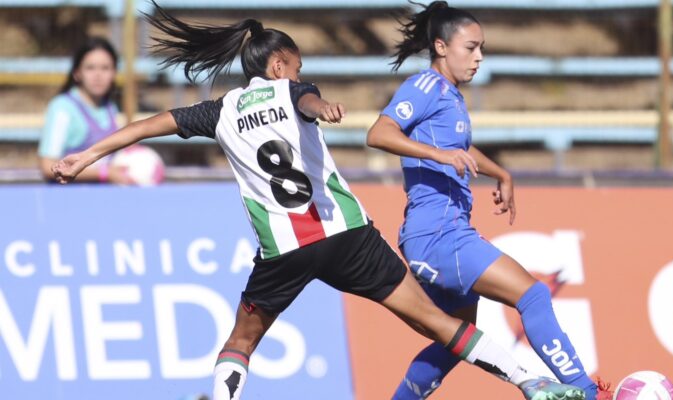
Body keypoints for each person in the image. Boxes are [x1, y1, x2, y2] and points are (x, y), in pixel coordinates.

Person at [52, 3, 585, 400]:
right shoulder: (292, 90)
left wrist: (87, 155)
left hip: (283, 250)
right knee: (432, 320)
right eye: (297, 66)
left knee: (241, 340)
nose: (299, 74)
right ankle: (530, 381)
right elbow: (303, 99)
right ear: (280, 64)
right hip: (347, 236)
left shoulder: (220, 111)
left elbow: (150, 125)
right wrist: (320, 103)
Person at [366, 2, 610, 399]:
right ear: (441, 47)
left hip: (442, 232)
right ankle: (588, 392)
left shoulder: (450, 96)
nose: (479, 57)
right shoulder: (425, 86)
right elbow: (379, 133)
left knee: (456, 340)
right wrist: (439, 155)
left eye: (482, 48)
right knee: (533, 294)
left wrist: (500, 173)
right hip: (439, 235)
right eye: (471, 47)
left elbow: (458, 147)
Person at [39, 37, 131, 184]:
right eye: (90, 68)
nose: (98, 75)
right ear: (77, 73)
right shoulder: (62, 108)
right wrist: (104, 173)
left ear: (114, 73)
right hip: (68, 194)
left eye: (105, 68)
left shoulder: (110, 107)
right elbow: (47, 165)